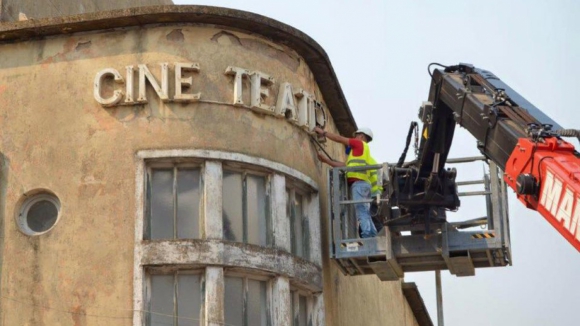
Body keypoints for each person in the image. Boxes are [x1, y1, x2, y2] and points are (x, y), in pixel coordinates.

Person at [313, 126, 377, 238]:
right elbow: (344, 165)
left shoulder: (359, 144)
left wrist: (324, 133)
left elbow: (339, 139)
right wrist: (326, 160)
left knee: (361, 210)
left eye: (356, 135)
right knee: (364, 211)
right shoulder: (361, 150)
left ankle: (367, 235)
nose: (354, 138)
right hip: (363, 184)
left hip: (359, 184)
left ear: (361, 136)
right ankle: (372, 234)